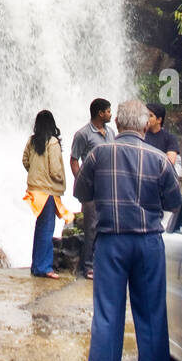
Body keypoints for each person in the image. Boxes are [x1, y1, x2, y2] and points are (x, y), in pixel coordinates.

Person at [71, 98, 182, 361]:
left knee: (108, 317)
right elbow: (174, 202)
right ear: (145, 125)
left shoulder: (99, 154)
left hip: (111, 243)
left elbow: (81, 193)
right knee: (151, 319)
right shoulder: (160, 160)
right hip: (148, 243)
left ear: (118, 124)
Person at [70, 98, 114, 280]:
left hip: (109, 187)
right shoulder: (83, 134)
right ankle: (88, 266)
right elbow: (73, 160)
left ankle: (102, 263)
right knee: (91, 227)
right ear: (100, 113)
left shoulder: (111, 133)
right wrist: (82, 182)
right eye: (109, 111)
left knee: (107, 226)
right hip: (91, 189)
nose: (111, 114)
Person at [22, 110, 67, 278]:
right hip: (47, 190)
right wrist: (60, 179)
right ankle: (44, 267)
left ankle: (37, 265)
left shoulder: (32, 141)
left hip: (33, 190)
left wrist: (34, 173)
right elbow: (55, 169)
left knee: (41, 227)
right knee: (47, 228)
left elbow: (25, 160)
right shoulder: (53, 142)